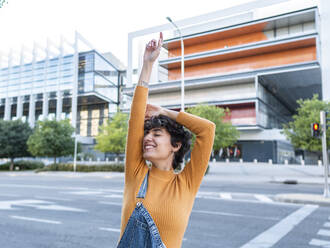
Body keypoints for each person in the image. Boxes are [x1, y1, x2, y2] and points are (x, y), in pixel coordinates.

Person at [117, 32, 215, 248]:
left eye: (157, 134)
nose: (148, 138)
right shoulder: (136, 174)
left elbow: (207, 130)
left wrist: (164, 111)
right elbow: (136, 117)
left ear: (176, 145)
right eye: (147, 134)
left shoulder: (186, 183)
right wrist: (147, 65)